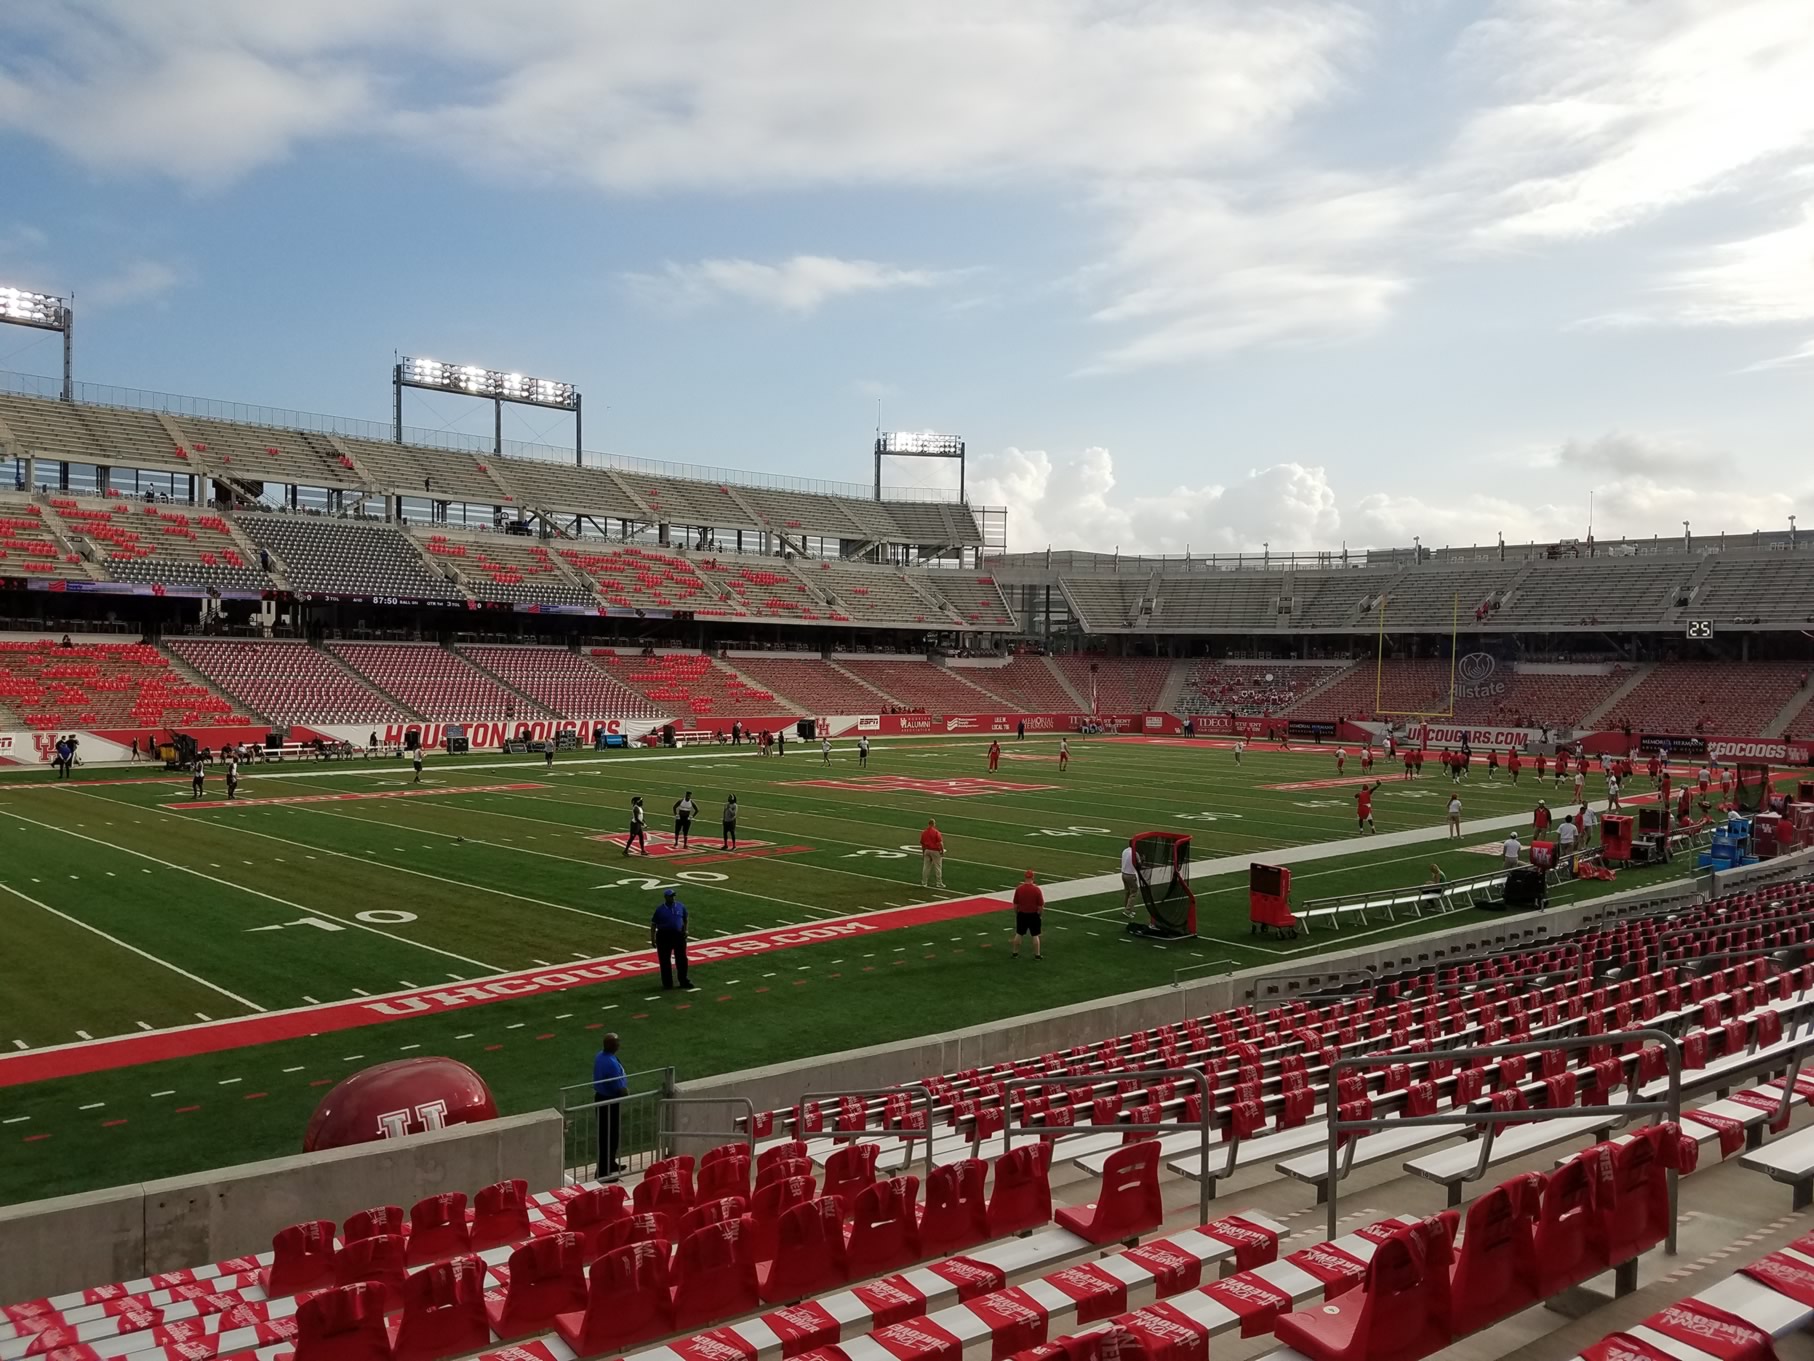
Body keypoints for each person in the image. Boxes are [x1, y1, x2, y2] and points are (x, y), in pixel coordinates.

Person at [592, 1033, 628, 1180]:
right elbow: (619, 1088)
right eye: (616, 1042)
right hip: (609, 1100)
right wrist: (625, 1091)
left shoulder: (600, 1056)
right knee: (608, 1135)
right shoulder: (610, 1063)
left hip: (603, 1098)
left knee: (610, 1135)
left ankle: (610, 1163)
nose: (619, 1044)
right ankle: (602, 1171)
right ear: (610, 1045)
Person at [651, 888, 694, 990]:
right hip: (663, 936)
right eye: (671, 896)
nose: (673, 898)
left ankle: (683, 980)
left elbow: (685, 918)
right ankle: (667, 983)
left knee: (682, 959)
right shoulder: (660, 910)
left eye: (674, 896)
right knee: (665, 960)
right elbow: (653, 924)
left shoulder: (680, 906)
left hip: (678, 935)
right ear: (666, 897)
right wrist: (653, 938)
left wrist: (686, 930)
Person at [1011, 869, 1044, 960]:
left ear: (1025, 877)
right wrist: (1040, 915)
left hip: (1022, 914)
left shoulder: (1019, 889)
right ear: (1033, 877)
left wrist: (1017, 913)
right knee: (1035, 935)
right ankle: (1037, 955)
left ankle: (1015, 953)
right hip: (1033, 914)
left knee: (1019, 934)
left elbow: (1015, 904)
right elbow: (1040, 905)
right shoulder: (1036, 890)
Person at [919, 818, 945, 889]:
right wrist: (942, 851)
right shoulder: (936, 832)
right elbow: (940, 843)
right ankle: (939, 883)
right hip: (935, 851)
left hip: (927, 850)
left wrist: (923, 852)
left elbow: (922, 843)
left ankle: (924, 882)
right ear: (934, 824)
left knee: (926, 867)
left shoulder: (924, 832)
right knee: (938, 867)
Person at [1120, 840, 1140, 918]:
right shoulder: (1135, 853)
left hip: (1123, 873)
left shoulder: (1125, 850)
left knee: (1127, 892)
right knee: (1134, 892)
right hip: (1130, 875)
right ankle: (1128, 910)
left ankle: (1126, 908)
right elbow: (1139, 864)